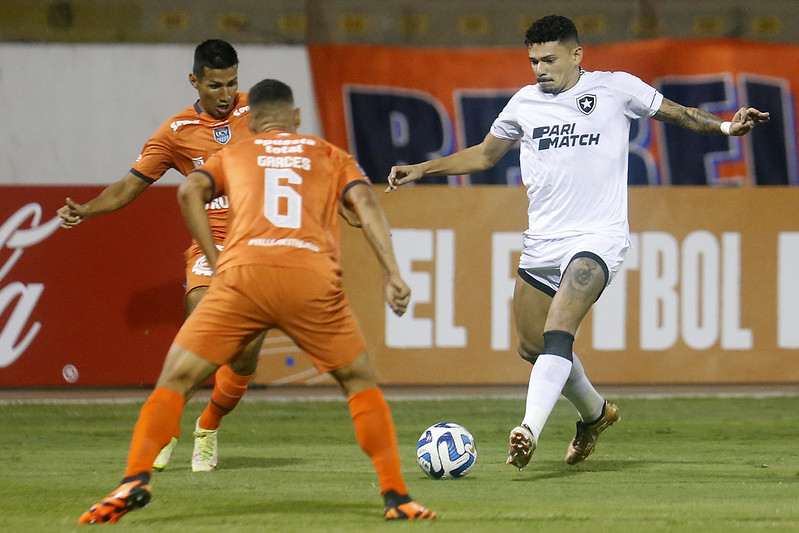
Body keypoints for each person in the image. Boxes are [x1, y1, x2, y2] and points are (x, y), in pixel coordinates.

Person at [387, 15, 769, 471]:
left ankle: (527, 429)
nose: (540, 69)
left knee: (558, 332)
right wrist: (422, 170)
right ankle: (595, 414)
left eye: (549, 59)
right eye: (533, 61)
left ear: (576, 55)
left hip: (598, 238)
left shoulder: (615, 88)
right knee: (532, 347)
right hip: (542, 243)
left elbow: (681, 114)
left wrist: (729, 129)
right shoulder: (524, 103)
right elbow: (486, 154)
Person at [78, 78, 436, 524]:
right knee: (359, 383)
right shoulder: (329, 155)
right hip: (310, 279)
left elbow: (188, 191)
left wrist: (216, 259)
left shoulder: (234, 153)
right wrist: (393, 273)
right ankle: (396, 495)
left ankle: (134, 479)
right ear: (298, 119)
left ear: (254, 124)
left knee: (176, 379)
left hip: (243, 277)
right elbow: (364, 205)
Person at [59, 40, 272, 473]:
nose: (226, 93)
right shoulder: (175, 133)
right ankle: (166, 426)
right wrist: (87, 209)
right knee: (202, 330)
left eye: (232, 83)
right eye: (215, 85)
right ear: (195, 81)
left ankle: (208, 427)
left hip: (258, 247)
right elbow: (127, 187)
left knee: (245, 355)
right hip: (209, 248)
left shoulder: (261, 110)